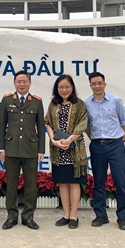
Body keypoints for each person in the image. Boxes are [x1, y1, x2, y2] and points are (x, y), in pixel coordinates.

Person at [0, 70, 45, 230]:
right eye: (19, 81)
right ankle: (11, 216)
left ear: (30, 83)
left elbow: (41, 128)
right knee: (11, 185)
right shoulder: (6, 100)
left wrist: (41, 149)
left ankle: (28, 217)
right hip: (11, 149)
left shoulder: (37, 102)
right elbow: (1, 126)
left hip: (31, 149)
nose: (22, 84)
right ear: (14, 83)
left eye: (25, 81)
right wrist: (1, 148)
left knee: (31, 185)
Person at [84, 72, 125, 231]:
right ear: (90, 85)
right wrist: (95, 139)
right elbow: (87, 126)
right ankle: (101, 215)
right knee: (99, 181)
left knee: (120, 181)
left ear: (104, 84)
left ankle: (122, 217)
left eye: (99, 83)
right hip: (97, 145)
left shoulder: (115, 100)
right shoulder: (86, 103)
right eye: (94, 84)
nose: (97, 86)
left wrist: (121, 140)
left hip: (116, 144)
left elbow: (124, 121)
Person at [45, 75, 88, 229]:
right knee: (63, 183)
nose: (64, 90)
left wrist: (69, 140)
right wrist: (53, 140)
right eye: (61, 87)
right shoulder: (53, 104)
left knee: (74, 182)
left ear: (72, 88)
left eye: (67, 87)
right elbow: (48, 122)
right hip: (58, 149)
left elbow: (83, 124)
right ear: (56, 89)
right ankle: (66, 214)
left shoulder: (79, 104)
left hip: (74, 149)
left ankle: (74, 215)